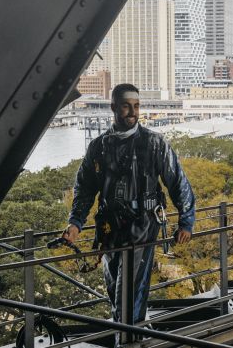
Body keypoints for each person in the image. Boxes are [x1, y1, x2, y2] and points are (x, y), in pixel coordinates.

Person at [62, 83, 195, 337]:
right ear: (114, 107)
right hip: (109, 228)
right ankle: (128, 334)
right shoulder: (99, 147)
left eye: (136, 106)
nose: (133, 112)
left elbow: (178, 181)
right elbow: (85, 187)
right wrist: (76, 223)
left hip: (142, 225)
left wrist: (186, 222)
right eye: (126, 106)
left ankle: (129, 339)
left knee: (130, 288)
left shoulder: (154, 143)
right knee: (114, 285)